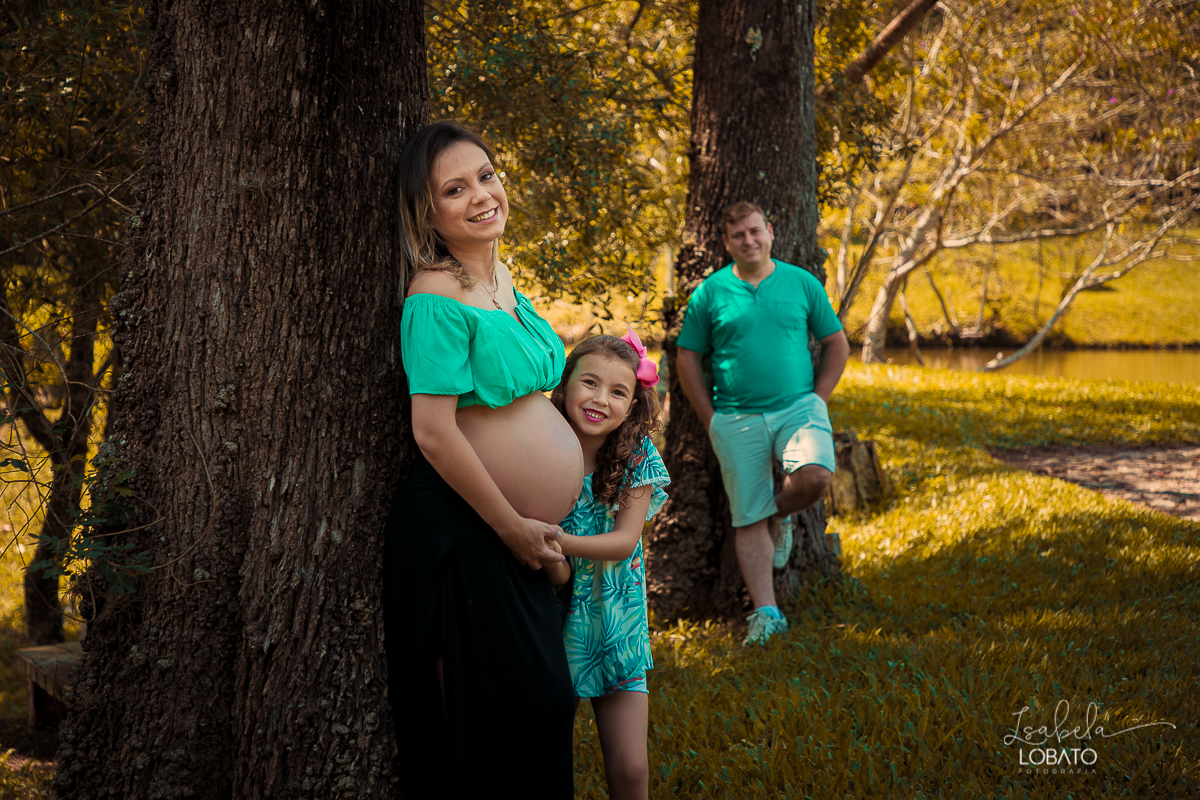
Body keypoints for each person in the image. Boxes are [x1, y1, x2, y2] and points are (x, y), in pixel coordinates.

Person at [383, 121, 582, 799]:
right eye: (454, 188)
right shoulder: (434, 296)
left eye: (487, 176)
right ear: (428, 211)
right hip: (468, 530)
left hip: (515, 534)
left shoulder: (502, 284)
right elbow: (434, 432)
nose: (480, 195)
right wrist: (511, 527)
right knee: (509, 714)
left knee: (544, 708)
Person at [675, 200, 850, 646]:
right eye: (739, 235)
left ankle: (783, 514)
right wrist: (710, 418)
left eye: (756, 231)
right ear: (726, 242)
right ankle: (767, 613)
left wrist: (817, 400)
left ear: (771, 231)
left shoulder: (801, 283)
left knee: (814, 477)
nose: (749, 241)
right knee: (747, 517)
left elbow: (836, 343)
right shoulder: (710, 293)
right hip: (735, 417)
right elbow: (688, 357)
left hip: (798, 408)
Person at [543, 330, 669, 800]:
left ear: (634, 403)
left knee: (631, 768)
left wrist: (558, 540)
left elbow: (622, 541)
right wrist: (550, 557)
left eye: (618, 391)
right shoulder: (540, 443)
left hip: (614, 621)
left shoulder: (637, 456)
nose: (600, 399)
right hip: (548, 614)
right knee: (542, 753)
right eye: (589, 383)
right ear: (565, 384)